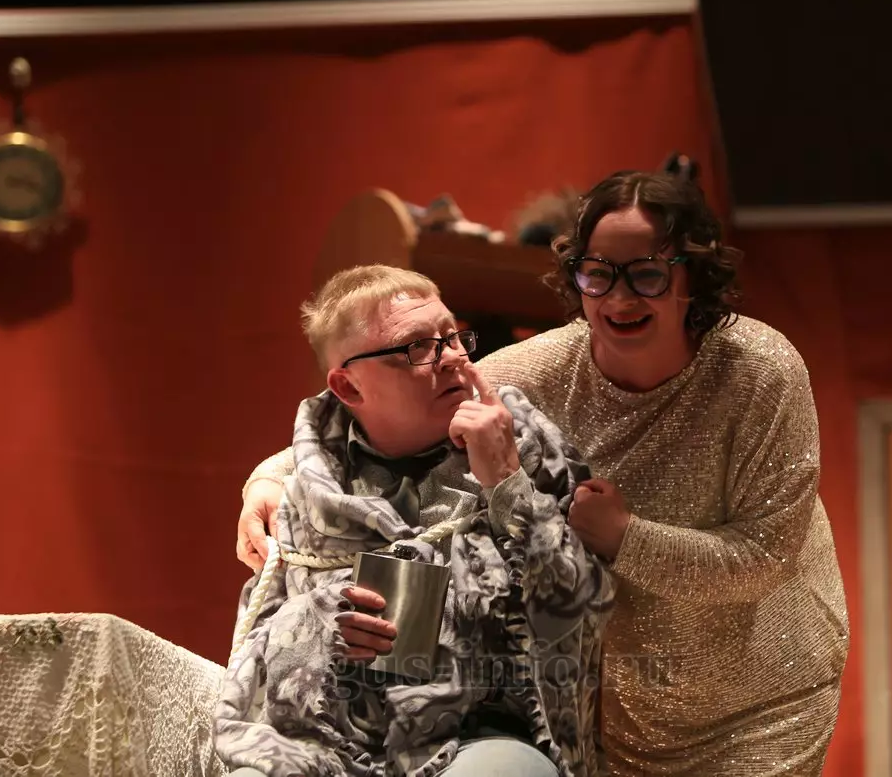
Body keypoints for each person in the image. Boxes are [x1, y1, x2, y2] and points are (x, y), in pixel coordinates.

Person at [239, 171, 850, 776]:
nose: (618, 298)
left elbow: (765, 557)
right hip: (618, 716)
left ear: (691, 275)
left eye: (647, 274)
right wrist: (265, 482)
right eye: (597, 274)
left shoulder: (757, 370)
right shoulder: (540, 371)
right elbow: (386, 417)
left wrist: (625, 537)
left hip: (759, 699)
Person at [217, 265, 615, 777]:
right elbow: (255, 647)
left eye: (453, 336)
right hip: (331, 736)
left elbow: (583, 610)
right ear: (348, 387)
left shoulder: (523, 445)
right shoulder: (308, 489)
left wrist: (506, 484)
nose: (453, 357)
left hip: (481, 732)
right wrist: (316, 626)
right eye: (418, 348)